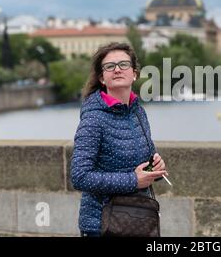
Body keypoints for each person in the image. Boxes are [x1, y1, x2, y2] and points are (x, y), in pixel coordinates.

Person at [71, 42, 168, 237]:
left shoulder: (138, 112)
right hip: (102, 226)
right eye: (109, 66)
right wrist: (133, 180)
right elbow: (79, 176)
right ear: (102, 78)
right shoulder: (93, 119)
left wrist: (155, 168)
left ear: (134, 73)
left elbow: (143, 161)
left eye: (123, 64)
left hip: (136, 221)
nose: (117, 69)